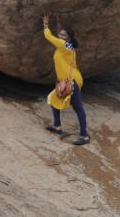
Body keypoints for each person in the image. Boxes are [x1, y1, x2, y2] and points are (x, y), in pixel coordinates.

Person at [42, 13, 89, 145]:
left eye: (63, 35)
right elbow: (58, 35)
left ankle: (84, 135)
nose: (61, 36)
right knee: (53, 99)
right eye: (61, 34)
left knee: (78, 107)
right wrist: (58, 23)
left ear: (68, 38)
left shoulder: (63, 45)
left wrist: (45, 23)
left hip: (72, 80)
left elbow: (48, 36)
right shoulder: (66, 45)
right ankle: (57, 126)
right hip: (66, 79)